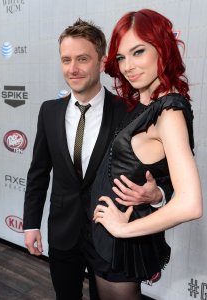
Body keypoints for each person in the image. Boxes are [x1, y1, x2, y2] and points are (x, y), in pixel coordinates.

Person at [23, 18, 172, 300]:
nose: (73, 68)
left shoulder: (129, 112)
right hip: (63, 233)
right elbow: (39, 173)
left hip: (113, 235)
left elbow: (160, 176)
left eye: (82, 59)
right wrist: (31, 224)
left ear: (102, 62)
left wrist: (156, 195)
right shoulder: (49, 111)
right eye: (66, 60)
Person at [92, 9, 203, 300]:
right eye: (121, 57)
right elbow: (155, 169)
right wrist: (157, 195)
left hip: (122, 243)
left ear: (162, 48)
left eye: (138, 51)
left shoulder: (169, 111)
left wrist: (121, 230)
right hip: (104, 239)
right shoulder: (140, 102)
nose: (128, 66)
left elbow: (191, 204)